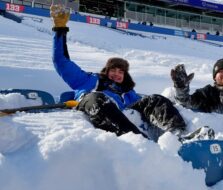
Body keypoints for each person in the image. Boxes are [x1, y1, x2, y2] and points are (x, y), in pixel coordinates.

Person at [50, 5, 186, 139]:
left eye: (121, 72)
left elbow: (148, 105)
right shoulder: (89, 80)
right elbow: (61, 62)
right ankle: (141, 142)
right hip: (94, 104)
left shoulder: (128, 92)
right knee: (97, 98)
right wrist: (60, 29)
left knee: (155, 99)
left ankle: (178, 134)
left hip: (123, 111)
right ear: (106, 71)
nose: (117, 74)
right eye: (113, 70)